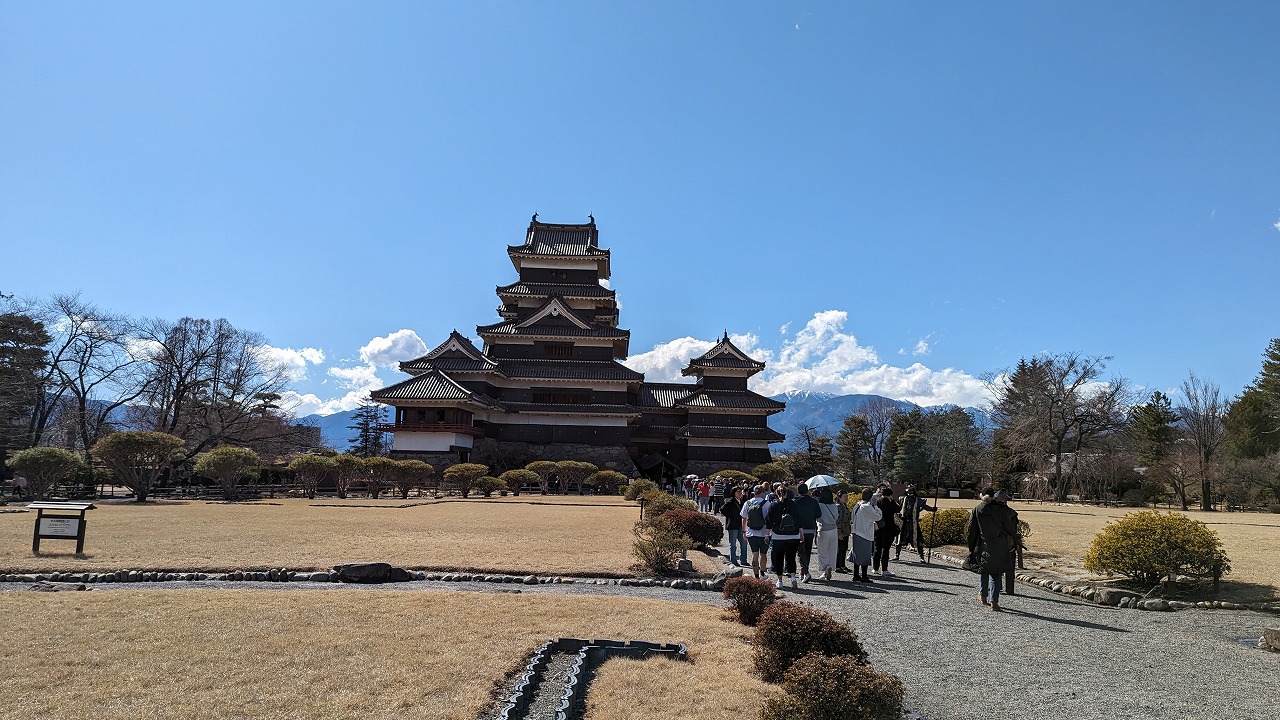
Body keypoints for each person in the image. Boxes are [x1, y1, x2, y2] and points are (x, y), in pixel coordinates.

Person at [968, 487, 1019, 611]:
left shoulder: (977, 510)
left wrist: (971, 546)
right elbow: (1010, 528)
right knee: (996, 573)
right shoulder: (1001, 510)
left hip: (983, 544)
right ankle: (994, 600)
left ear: (982, 496)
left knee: (984, 569)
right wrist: (1013, 541)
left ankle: (983, 594)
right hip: (1000, 545)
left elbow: (971, 530)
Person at [765, 486, 803, 589]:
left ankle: (780, 581)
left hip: (778, 535)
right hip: (793, 534)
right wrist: (801, 534)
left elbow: (769, 521)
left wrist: (767, 535)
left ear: (777, 493)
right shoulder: (793, 504)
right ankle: (793, 578)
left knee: (779, 558)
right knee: (791, 558)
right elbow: (799, 519)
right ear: (787, 493)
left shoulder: (774, 505)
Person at [848, 488, 882, 582]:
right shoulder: (867, 506)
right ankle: (864, 576)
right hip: (865, 533)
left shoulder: (857, 505)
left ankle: (856, 575)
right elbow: (878, 516)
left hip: (856, 531)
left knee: (857, 554)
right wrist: (876, 506)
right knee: (865, 555)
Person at [896, 484, 936, 562]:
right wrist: (899, 514)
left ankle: (921, 557)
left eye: (911, 491)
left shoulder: (918, 500)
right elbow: (897, 508)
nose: (910, 493)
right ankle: (897, 555)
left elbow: (925, 507)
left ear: (914, 492)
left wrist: (932, 509)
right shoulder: (902, 499)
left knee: (918, 540)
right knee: (900, 539)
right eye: (908, 491)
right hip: (904, 522)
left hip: (913, 523)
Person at [740, 485, 771, 579]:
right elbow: (769, 519)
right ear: (762, 493)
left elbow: (744, 518)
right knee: (763, 554)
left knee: (754, 553)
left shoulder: (748, 503)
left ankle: (756, 576)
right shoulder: (767, 503)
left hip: (751, 533)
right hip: (764, 533)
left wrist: (744, 531)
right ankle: (762, 573)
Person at [792, 481, 820, 582]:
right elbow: (819, 514)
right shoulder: (813, 501)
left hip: (799, 530)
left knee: (800, 552)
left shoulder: (794, 501)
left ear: (798, 491)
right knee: (807, 551)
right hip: (811, 528)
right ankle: (804, 571)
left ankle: (804, 572)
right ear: (807, 491)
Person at [813, 487, 840, 580]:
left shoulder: (819, 505)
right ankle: (830, 568)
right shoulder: (834, 505)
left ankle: (825, 567)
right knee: (832, 551)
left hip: (823, 529)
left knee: (822, 550)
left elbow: (818, 517)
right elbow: (837, 517)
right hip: (833, 529)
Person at [872, 486, 899, 577]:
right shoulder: (891, 504)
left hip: (879, 527)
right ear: (890, 495)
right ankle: (884, 569)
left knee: (877, 548)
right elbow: (897, 509)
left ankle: (875, 568)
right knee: (886, 549)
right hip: (889, 528)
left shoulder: (878, 502)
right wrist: (893, 500)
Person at [719, 486, 748, 567]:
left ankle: (743, 560)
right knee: (733, 544)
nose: (740, 493)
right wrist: (730, 516)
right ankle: (733, 560)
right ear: (734, 492)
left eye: (740, 491)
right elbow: (722, 509)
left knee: (744, 543)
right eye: (738, 491)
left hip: (741, 525)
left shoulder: (742, 502)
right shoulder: (730, 501)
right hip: (732, 525)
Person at [835, 489, 852, 573]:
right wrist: (839, 532)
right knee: (840, 549)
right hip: (841, 530)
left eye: (847, 496)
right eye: (844, 496)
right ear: (839, 497)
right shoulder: (838, 506)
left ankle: (842, 565)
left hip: (846, 530)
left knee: (844, 548)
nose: (846, 498)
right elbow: (838, 520)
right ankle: (838, 566)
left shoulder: (845, 506)